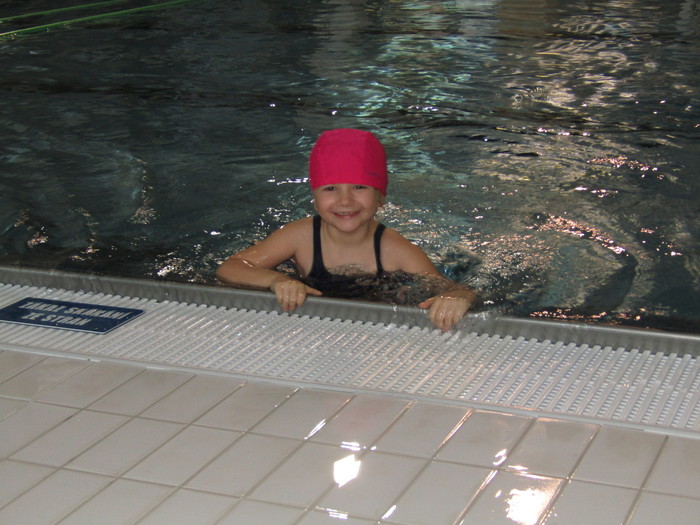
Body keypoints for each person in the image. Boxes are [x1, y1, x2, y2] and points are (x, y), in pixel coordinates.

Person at [216, 128, 476, 330]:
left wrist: (456, 298)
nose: (345, 201)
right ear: (315, 200)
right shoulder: (300, 236)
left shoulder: (395, 249)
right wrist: (277, 280)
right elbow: (230, 268)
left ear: (380, 197)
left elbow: (455, 290)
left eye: (359, 187)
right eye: (330, 189)